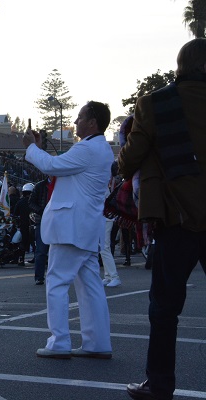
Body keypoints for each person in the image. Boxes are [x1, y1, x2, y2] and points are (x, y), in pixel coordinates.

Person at [121, 39, 206, 400]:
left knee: (165, 309)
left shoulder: (154, 103)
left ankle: (159, 386)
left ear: (181, 64)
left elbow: (129, 160)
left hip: (177, 216)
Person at [22, 101, 114, 360]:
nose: (75, 122)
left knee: (57, 282)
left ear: (93, 122)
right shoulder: (101, 149)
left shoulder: (87, 149)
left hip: (70, 227)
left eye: (80, 117)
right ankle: (97, 342)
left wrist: (30, 147)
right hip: (84, 227)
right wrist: (38, 149)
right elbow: (58, 165)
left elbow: (51, 167)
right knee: (90, 285)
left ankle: (59, 341)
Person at [28, 177, 52, 285]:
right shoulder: (40, 186)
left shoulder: (62, 185)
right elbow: (31, 202)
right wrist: (41, 211)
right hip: (42, 220)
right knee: (41, 250)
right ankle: (39, 277)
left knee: (56, 251)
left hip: (57, 220)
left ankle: (54, 276)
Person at [13, 183, 34, 267]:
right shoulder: (34, 202)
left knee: (22, 242)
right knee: (35, 242)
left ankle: (21, 259)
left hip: (23, 225)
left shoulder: (20, 202)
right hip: (33, 225)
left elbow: (15, 213)